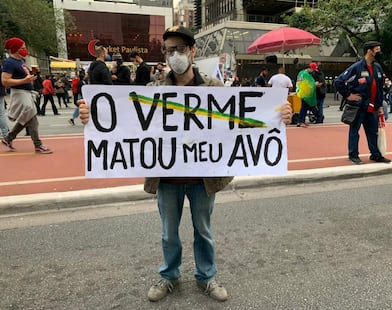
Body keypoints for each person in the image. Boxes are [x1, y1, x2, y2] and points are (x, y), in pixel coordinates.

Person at [78, 25, 292, 303]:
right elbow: (127, 122)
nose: (175, 55)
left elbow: (244, 120)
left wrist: (279, 114)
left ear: (192, 51)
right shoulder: (153, 90)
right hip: (166, 178)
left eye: (180, 48)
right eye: (169, 50)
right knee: (169, 233)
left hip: (204, 177)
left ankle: (207, 276)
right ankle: (169, 276)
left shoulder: (215, 89)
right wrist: (92, 115)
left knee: (203, 231)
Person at [334, 41, 391, 164]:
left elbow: (380, 88)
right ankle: (353, 154)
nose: (379, 52)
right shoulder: (356, 67)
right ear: (369, 51)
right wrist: (348, 95)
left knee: (373, 132)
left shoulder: (377, 67)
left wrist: (380, 104)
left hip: (373, 106)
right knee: (354, 131)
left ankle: (375, 154)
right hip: (358, 106)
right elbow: (339, 81)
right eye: (377, 50)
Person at [1, 37, 52, 154]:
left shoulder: (21, 61)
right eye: (22, 48)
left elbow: (24, 77)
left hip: (27, 93)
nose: (25, 50)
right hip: (20, 93)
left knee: (27, 118)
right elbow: (5, 81)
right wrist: (24, 81)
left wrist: (32, 76)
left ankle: (9, 138)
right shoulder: (9, 62)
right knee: (32, 117)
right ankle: (38, 144)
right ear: (15, 49)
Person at [0, 61, 9, 139]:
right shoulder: (2, 69)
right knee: (1, 114)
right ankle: (5, 133)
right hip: (1, 91)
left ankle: (5, 132)